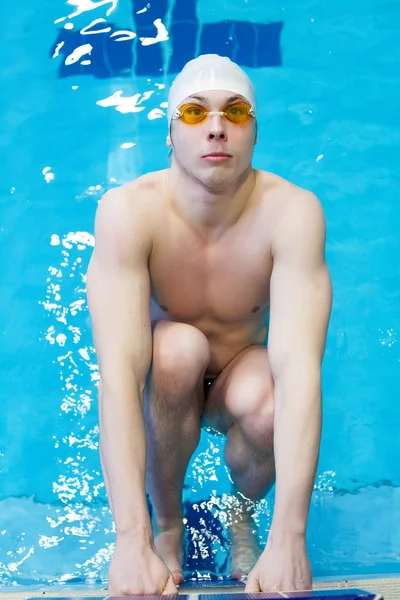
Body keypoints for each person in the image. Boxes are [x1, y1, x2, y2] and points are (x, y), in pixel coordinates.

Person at [86, 54, 332, 596]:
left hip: (241, 371)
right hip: (167, 379)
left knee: (271, 403)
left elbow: (300, 373)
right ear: (170, 133)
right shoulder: (129, 213)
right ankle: (169, 521)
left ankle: (241, 511)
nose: (216, 126)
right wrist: (133, 539)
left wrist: (291, 537)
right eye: (195, 113)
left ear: (254, 132)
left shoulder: (292, 213)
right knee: (177, 350)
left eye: (235, 112)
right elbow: (119, 378)